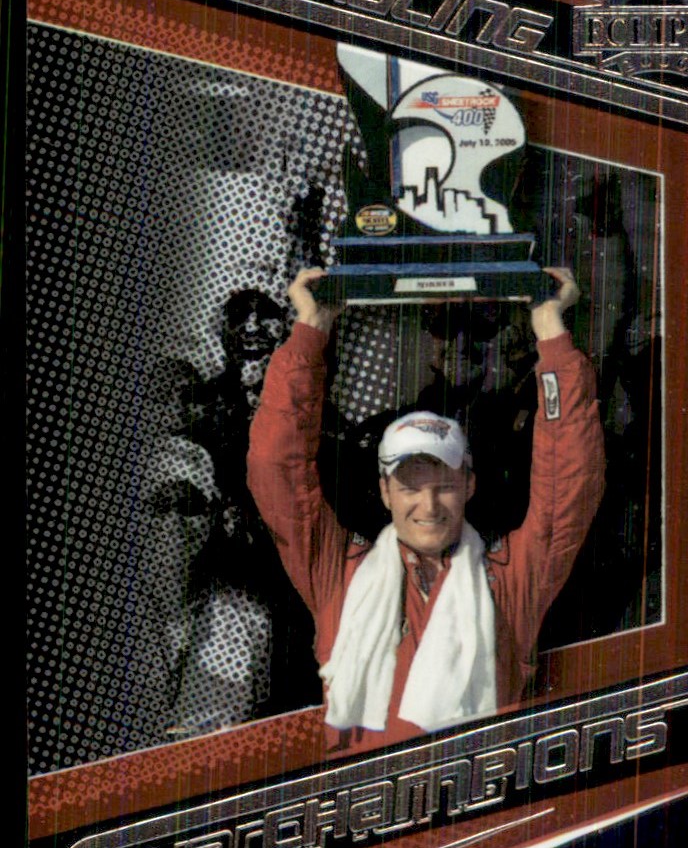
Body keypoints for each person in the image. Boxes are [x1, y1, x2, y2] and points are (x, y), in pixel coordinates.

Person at [248, 266, 605, 753]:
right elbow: (276, 470)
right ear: (385, 492)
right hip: (364, 798)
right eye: (410, 486)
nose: (429, 505)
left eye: (444, 485)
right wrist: (312, 329)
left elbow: (571, 483)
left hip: (480, 795)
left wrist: (549, 330)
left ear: (469, 486)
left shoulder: (512, 580)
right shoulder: (340, 575)